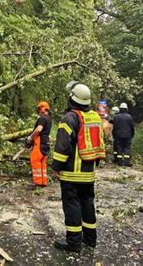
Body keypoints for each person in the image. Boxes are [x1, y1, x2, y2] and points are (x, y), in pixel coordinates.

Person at [51, 81, 105, 252]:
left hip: (71, 173)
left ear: (72, 98)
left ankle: (74, 242)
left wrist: (56, 166)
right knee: (87, 203)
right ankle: (90, 238)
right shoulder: (95, 117)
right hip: (89, 173)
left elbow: (62, 147)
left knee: (72, 205)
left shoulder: (70, 118)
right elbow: (99, 142)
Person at [25, 101, 52, 187]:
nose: (38, 111)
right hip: (46, 142)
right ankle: (43, 182)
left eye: (39, 109)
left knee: (35, 160)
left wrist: (31, 137)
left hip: (39, 142)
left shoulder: (42, 118)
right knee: (42, 162)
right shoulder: (49, 119)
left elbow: (39, 129)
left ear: (42, 108)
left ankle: (37, 182)